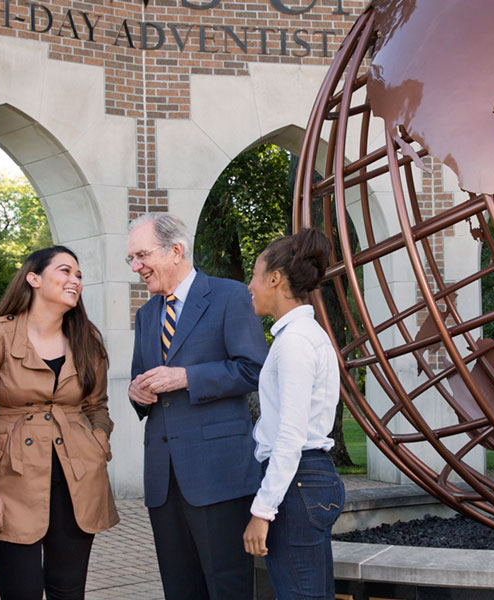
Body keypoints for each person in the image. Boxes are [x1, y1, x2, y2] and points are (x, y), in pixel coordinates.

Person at [127, 212, 267, 599]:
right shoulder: (145, 315)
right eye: (131, 259)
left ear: (176, 251)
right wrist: (137, 394)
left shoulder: (229, 295)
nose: (136, 267)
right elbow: (144, 379)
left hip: (218, 475)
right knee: (179, 589)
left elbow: (254, 369)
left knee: (227, 587)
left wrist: (188, 377)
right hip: (163, 483)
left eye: (141, 255)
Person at [0, 245, 118, 600]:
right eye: (65, 271)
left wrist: (99, 442)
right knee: (21, 592)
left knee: (69, 590)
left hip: (77, 479)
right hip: (10, 480)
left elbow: (97, 406)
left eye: (79, 275)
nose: (74, 280)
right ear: (33, 278)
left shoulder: (87, 338)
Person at [241, 229, 345, 600]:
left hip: (299, 480)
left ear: (275, 278)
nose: (249, 285)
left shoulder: (296, 342)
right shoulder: (301, 335)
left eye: (255, 274)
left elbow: (290, 435)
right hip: (306, 480)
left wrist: (262, 511)